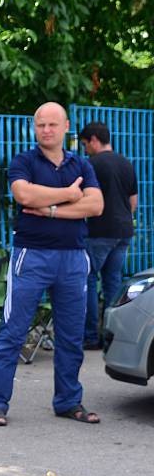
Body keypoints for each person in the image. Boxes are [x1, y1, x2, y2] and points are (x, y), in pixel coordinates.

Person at [0, 102, 104, 427]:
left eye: (52, 124)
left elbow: (96, 205)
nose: (46, 130)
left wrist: (51, 210)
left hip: (73, 258)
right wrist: (69, 194)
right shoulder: (24, 161)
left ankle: (68, 401)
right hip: (31, 256)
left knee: (71, 336)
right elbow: (24, 195)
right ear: (34, 128)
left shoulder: (81, 163)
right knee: (13, 331)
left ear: (66, 127)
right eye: (40, 125)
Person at [78, 121, 138, 350]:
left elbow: (82, 198)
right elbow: (133, 202)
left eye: (85, 144)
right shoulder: (126, 163)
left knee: (88, 279)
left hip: (99, 231)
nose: (85, 149)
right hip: (124, 231)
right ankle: (111, 337)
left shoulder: (91, 165)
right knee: (113, 282)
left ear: (94, 140)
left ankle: (90, 336)